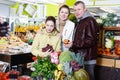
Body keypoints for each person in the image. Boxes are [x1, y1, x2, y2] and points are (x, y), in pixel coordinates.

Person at [70, 1, 99, 80]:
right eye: (75, 10)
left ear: (85, 9)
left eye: (79, 9)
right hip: (81, 58)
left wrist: (73, 44)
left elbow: (91, 40)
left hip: (87, 59)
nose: (76, 12)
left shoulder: (89, 21)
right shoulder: (81, 21)